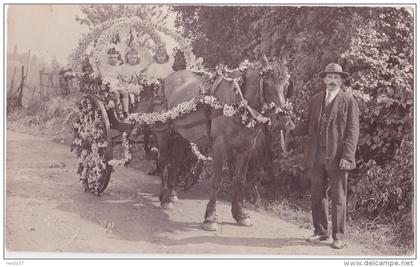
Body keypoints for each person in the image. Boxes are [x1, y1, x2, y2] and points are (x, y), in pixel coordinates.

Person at [291, 63, 359, 249]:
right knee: (317, 195)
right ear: (324, 80)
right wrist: (291, 127)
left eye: (336, 77)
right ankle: (321, 232)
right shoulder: (315, 100)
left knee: (338, 197)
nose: (332, 81)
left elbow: (353, 131)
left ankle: (338, 237)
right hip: (315, 157)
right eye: (329, 77)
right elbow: (306, 125)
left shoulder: (349, 101)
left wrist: (347, 156)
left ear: (342, 81)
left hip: (338, 157)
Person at [97, 48, 129, 116]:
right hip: (108, 84)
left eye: (115, 57)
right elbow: (102, 76)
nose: (113, 59)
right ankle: (118, 112)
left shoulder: (118, 66)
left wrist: (125, 79)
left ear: (118, 57)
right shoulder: (105, 65)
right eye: (111, 58)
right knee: (116, 94)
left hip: (116, 83)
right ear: (108, 58)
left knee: (125, 93)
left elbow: (120, 76)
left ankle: (125, 111)